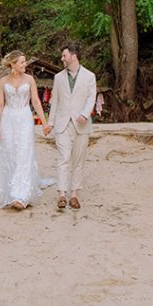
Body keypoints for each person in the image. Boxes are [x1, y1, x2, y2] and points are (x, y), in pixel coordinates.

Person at [0, 50, 53, 210]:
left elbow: (35, 101)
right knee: (7, 152)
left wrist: (44, 122)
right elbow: (0, 105)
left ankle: (21, 195)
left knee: (23, 154)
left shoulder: (30, 80)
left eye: (24, 61)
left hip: (24, 119)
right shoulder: (3, 81)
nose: (24, 64)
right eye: (21, 62)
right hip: (8, 118)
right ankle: (3, 190)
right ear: (13, 64)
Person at [47, 43, 96, 210]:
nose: (62, 59)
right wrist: (50, 123)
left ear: (73, 56)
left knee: (78, 160)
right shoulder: (58, 78)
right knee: (63, 158)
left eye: (64, 56)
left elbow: (91, 98)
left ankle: (74, 194)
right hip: (62, 123)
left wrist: (85, 113)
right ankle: (61, 194)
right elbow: (55, 101)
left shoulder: (90, 76)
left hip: (81, 123)